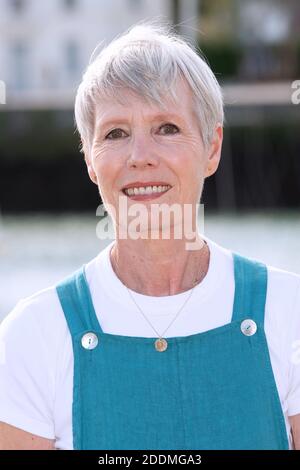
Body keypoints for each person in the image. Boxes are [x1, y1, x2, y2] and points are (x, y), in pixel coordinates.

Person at [0, 19, 300, 451]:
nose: (140, 157)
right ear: (89, 159)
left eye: (167, 128)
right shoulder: (33, 337)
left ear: (212, 147)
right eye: (116, 133)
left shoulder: (288, 312)